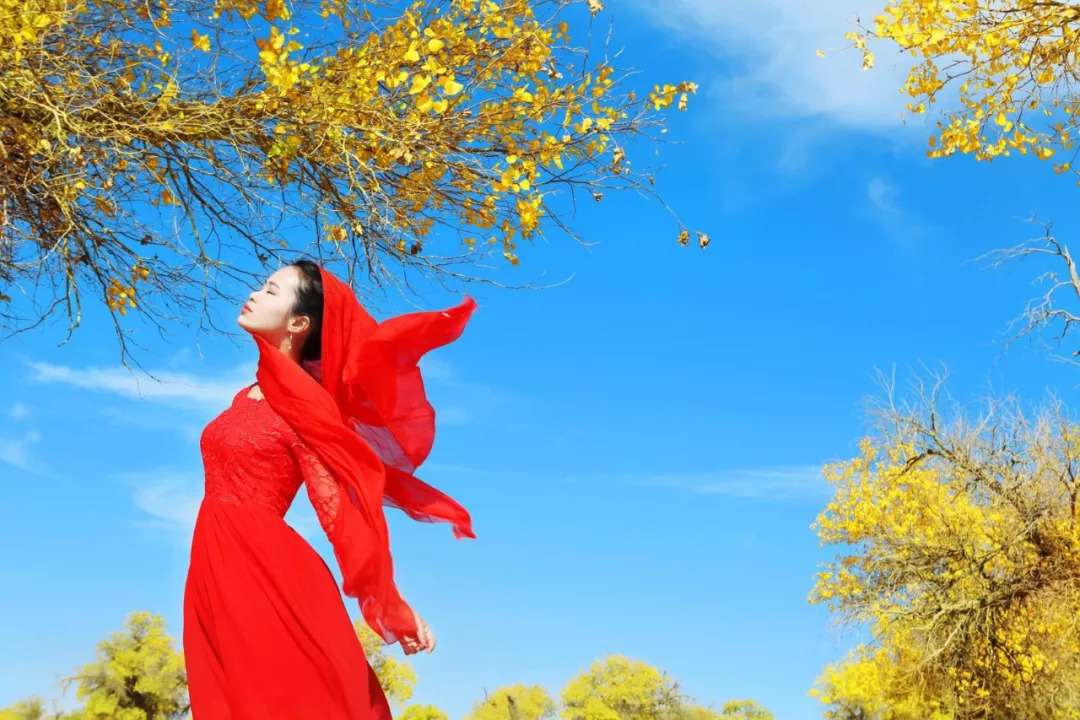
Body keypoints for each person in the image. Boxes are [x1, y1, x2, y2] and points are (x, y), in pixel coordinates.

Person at [183, 258, 477, 719]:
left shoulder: (307, 404)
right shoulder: (248, 394)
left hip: (261, 569)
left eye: (272, 291)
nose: (255, 294)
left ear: (299, 323)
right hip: (212, 563)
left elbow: (337, 508)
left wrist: (390, 602)